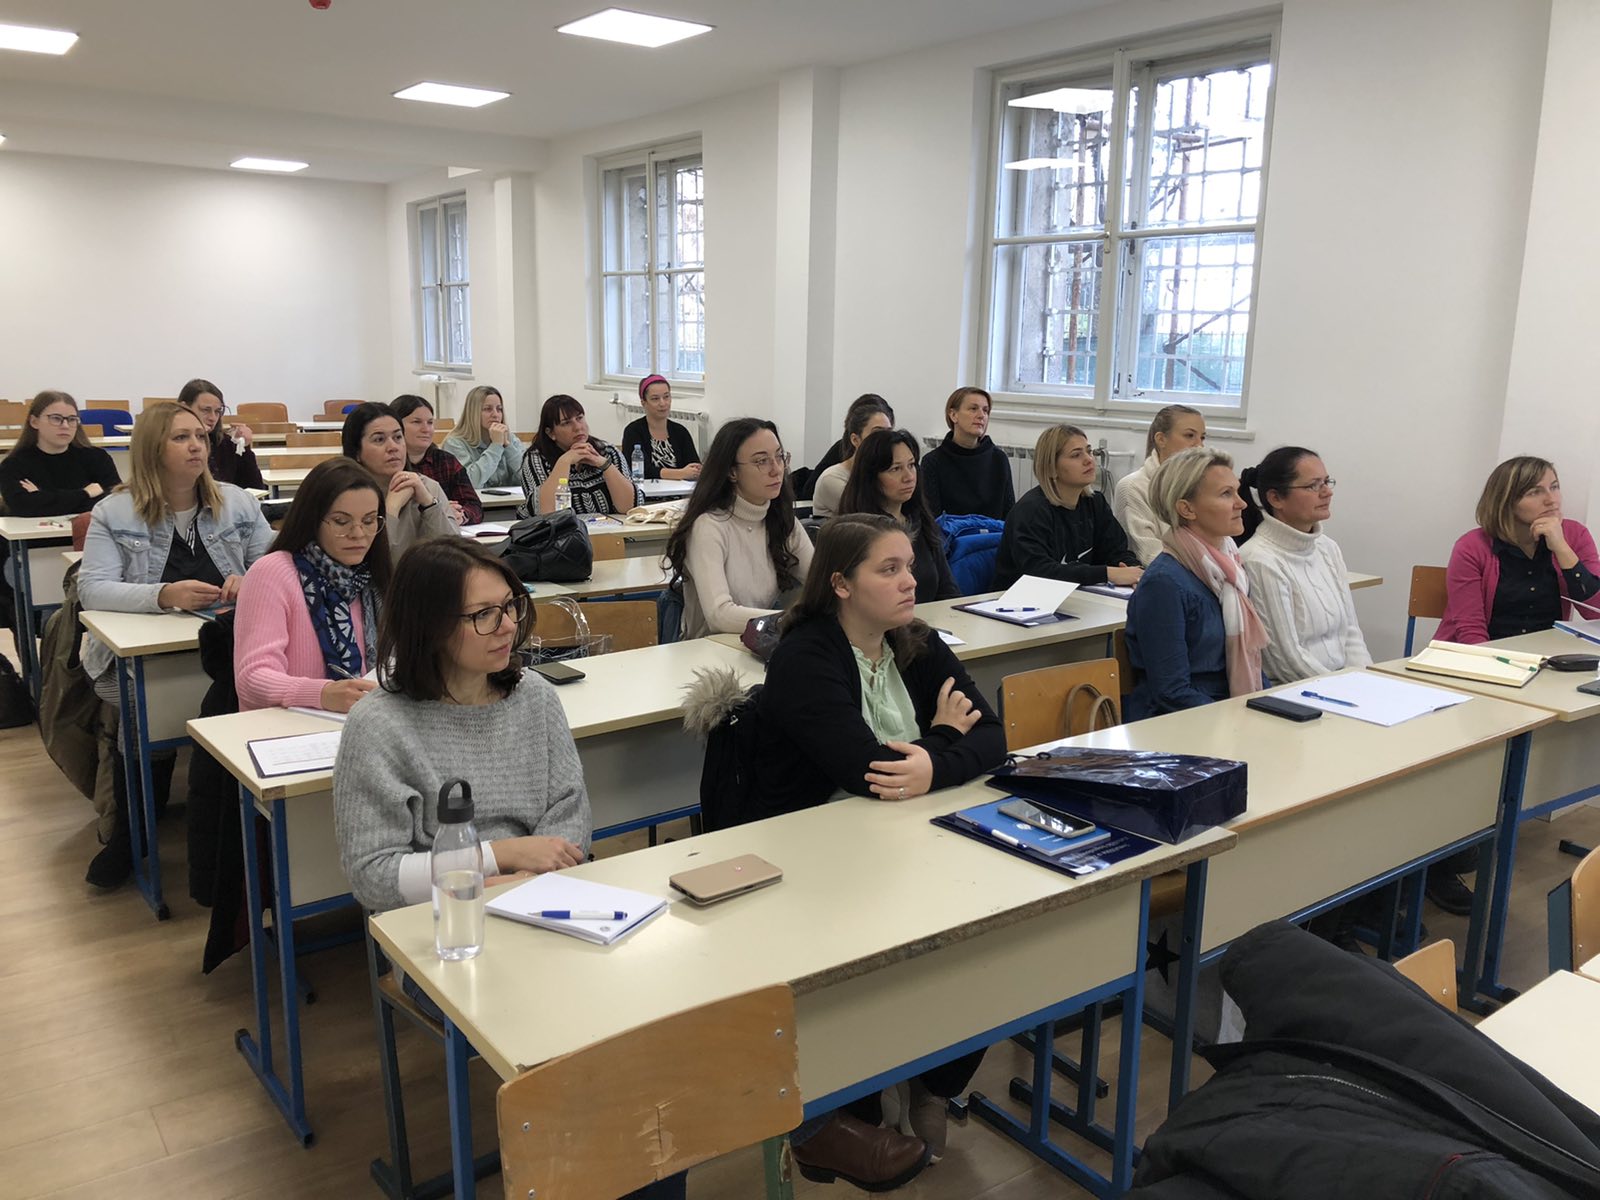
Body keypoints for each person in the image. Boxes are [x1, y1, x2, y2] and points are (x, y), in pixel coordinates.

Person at [755, 513, 1006, 1182]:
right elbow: (867, 771)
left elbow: (994, 735)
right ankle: (859, 1093)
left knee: (991, 932)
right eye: (888, 570)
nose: (909, 582)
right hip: (816, 852)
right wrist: (942, 742)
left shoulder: (916, 641)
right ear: (840, 584)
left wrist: (930, 764)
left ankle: (934, 1078)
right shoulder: (806, 656)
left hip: (909, 834)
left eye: (910, 567)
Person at [79, 401, 273, 886]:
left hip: (228, 647)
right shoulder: (114, 511)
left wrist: (252, 579)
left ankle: (240, 825)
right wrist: (163, 595)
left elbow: (277, 564)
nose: (196, 446)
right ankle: (130, 834)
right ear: (152, 448)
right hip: (145, 655)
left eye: (200, 437)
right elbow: (93, 588)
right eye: (181, 438)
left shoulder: (237, 502)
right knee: (143, 719)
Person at [234, 458, 389, 713]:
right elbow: (252, 679)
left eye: (370, 520)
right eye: (341, 522)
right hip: (285, 727)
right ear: (312, 519)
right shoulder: (271, 573)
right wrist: (322, 693)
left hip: (360, 721)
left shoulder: (372, 580)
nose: (359, 534)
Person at [1124, 446, 1267, 721]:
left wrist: (1268, 706)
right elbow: (1172, 691)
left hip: (1227, 712)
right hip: (1181, 723)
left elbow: (1253, 663)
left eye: (1237, 492)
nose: (1242, 504)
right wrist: (1240, 720)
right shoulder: (1164, 583)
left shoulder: (1230, 569)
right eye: (1226, 494)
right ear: (1187, 509)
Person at [663, 418, 813, 639]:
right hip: (708, 649)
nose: (776, 470)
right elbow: (719, 615)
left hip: (758, 642)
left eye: (780, 457)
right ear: (732, 472)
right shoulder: (709, 526)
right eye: (762, 461)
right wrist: (789, 620)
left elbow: (821, 582)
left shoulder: (783, 521)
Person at [1238, 447, 1371, 682]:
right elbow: (1287, 662)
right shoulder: (1259, 559)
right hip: (1295, 690)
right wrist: (1346, 690)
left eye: (1326, 482)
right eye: (1313, 486)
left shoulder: (1327, 548)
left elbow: (1351, 632)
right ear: (1275, 498)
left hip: (1342, 686)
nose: (1327, 492)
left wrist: (1367, 680)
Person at [1437, 455, 1600, 644]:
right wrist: (1494, 661)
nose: (1551, 500)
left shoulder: (1575, 535)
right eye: (1534, 492)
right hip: (1482, 652)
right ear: (1506, 501)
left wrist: (1562, 549)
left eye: (1554, 487)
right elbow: (1470, 630)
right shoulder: (1471, 547)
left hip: (1547, 653)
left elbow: (1595, 613)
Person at [993, 425, 1143, 589]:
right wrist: (1107, 573)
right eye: (1076, 455)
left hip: (1078, 596)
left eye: (1089, 451)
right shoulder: (1031, 511)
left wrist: (1134, 573)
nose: (1089, 460)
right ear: (1052, 468)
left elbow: (1117, 551)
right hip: (1021, 598)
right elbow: (1040, 571)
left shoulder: (1096, 503)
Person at [838, 429, 957, 602]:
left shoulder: (920, 520)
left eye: (911, 465)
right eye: (896, 469)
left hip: (929, 616)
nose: (909, 477)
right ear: (871, 477)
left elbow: (948, 588)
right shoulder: (858, 532)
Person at [341, 403, 458, 555]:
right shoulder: (345, 495)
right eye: (379, 439)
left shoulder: (427, 487)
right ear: (356, 451)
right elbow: (369, 561)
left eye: (397, 437)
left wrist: (429, 504)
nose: (393, 447)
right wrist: (391, 509)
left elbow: (455, 555)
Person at [0, 390, 121, 517]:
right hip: (32, 530)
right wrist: (85, 493)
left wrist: (42, 497)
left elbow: (115, 502)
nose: (65, 425)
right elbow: (24, 507)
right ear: (34, 422)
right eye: (56, 418)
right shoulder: (14, 464)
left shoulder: (97, 458)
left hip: (89, 529)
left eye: (72, 419)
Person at [1112, 404, 1205, 565]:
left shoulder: (1199, 487)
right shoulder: (1132, 487)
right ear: (1161, 439)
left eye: (1202, 438)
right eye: (1190, 435)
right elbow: (1149, 556)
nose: (1199, 446)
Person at [519, 394, 640, 517]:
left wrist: (604, 465)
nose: (578, 427)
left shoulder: (608, 452)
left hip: (608, 528)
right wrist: (565, 462)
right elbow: (546, 512)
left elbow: (628, 507)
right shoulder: (536, 459)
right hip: (561, 529)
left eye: (580, 418)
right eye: (566, 423)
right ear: (550, 433)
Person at [919, 386, 1015, 519]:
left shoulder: (999, 459)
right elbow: (932, 518)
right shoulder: (933, 461)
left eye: (985, 410)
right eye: (973, 409)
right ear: (953, 415)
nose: (981, 415)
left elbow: (1009, 515)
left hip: (993, 532)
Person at [391, 394, 482, 525]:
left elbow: (474, 505)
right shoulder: (389, 464)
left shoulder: (446, 461)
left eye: (430, 422)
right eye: (416, 422)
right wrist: (438, 509)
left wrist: (461, 515)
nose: (426, 429)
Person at [809, 394, 893, 519]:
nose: (885, 440)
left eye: (889, 433)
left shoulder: (884, 472)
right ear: (855, 439)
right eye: (877, 432)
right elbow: (873, 519)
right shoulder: (832, 479)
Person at [177, 378, 266, 490]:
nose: (213, 418)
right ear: (185, 408)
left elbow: (255, 487)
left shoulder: (227, 443)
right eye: (206, 410)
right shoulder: (173, 444)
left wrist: (244, 448)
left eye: (217, 411)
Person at [442, 384, 525, 491]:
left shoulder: (510, 438)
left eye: (499, 409)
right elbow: (470, 483)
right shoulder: (454, 443)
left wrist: (508, 447)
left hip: (511, 501)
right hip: (475, 501)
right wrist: (496, 446)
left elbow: (528, 478)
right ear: (473, 412)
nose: (495, 415)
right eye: (487, 409)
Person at [620, 375, 702, 482]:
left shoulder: (680, 431)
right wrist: (681, 473)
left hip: (680, 489)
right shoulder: (633, 431)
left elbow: (693, 465)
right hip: (648, 491)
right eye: (655, 399)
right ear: (643, 403)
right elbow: (642, 471)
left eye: (666, 397)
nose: (663, 403)